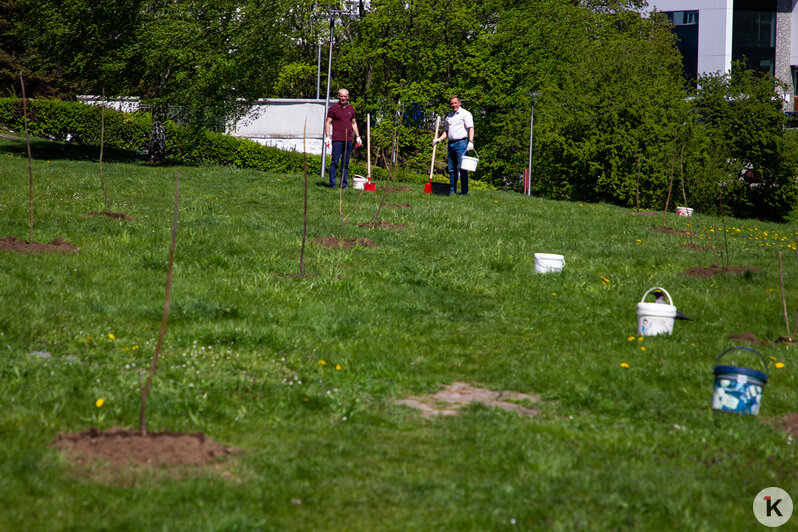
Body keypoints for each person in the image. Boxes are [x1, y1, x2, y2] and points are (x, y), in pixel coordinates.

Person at [434, 96, 474, 195]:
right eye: (452, 103)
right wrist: (439, 139)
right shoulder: (449, 116)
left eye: (455, 103)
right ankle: (452, 191)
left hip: (461, 143)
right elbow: (447, 132)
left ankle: (464, 192)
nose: (454, 105)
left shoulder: (465, 114)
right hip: (451, 144)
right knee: (452, 169)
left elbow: (471, 128)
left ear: (459, 103)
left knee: (462, 168)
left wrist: (470, 141)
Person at [325, 89, 361, 189]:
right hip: (337, 140)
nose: (343, 98)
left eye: (345, 96)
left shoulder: (351, 109)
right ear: (338, 96)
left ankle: (343, 184)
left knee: (345, 163)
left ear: (348, 97)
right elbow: (328, 122)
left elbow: (353, 123)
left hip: (348, 140)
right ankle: (332, 184)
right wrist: (327, 137)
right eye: (341, 96)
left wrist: (358, 137)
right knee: (335, 162)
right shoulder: (333, 109)